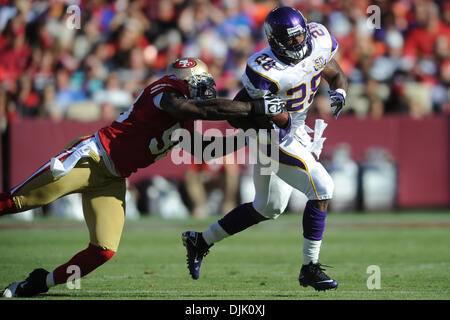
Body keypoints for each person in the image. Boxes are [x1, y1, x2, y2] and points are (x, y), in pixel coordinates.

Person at [0, 57, 285, 298]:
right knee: (16, 203)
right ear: (182, 81)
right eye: (199, 82)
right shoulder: (164, 90)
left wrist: (248, 134)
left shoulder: (187, 117)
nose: (206, 88)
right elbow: (192, 108)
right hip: (91, 158)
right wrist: (255, 109)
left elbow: (204, 150)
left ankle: (37, 283)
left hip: (112, 179)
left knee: (103, 251)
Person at [182, 6, 348, 291]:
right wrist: (266, 111)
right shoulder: (264, 68)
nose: (297, 44)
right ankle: (310, 268)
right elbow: (236, 114)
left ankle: (200, 241)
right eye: (290, 40)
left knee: (268, 207)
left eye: (300, 37)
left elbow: (329, 69)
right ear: (274, 41)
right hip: (272, 138)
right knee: (322, 187)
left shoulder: (319, 39)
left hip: (295, 132)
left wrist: (340, 89)